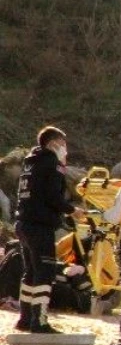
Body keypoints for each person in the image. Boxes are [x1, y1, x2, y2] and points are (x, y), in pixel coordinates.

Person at [13, 126, 85, 332]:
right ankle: (40, 321)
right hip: (40, 226)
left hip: (23, 223)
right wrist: (72, 210)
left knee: (30, 273)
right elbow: (52, 197)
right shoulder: (51, 164)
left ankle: (25, 318)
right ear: (53, 144)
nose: (65, 149)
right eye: (63, 144)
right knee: (44, 273)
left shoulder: (30, 162)